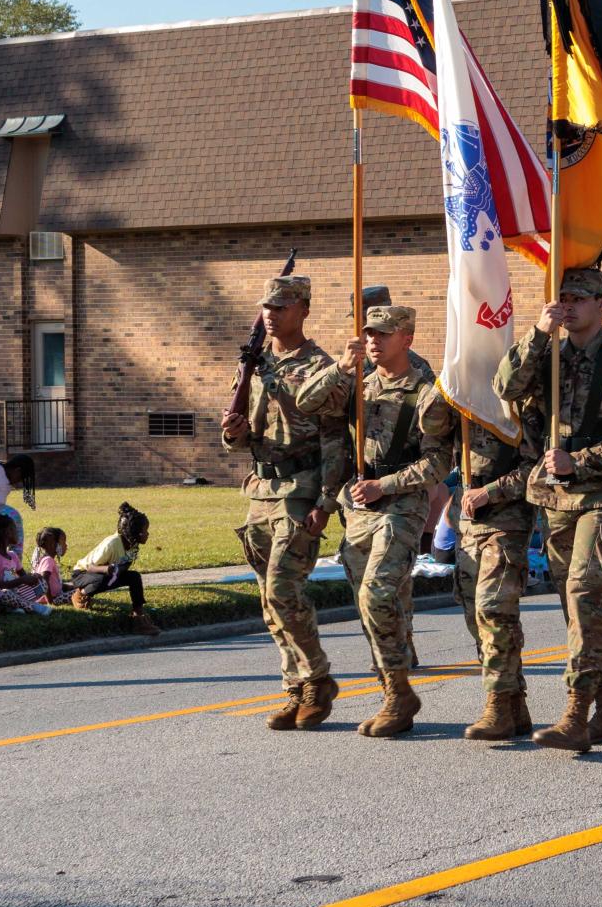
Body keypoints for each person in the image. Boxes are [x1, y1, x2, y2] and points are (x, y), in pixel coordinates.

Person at [496, 266, 602, 753]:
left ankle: (576, 711)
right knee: (578, 607)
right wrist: (538, 332)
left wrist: (580, 461)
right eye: (563, 298)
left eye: (580, 298)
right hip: (556, 500)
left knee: (585, 592)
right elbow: (505, 387)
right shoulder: (547, 358)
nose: (570, 306)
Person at [296, 303, 456, 739]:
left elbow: (439, 462)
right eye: (369, 333)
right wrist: (342, 368)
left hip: (401, 507)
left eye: (383, 334)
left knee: (376, 595)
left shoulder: (426, 392)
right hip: (358, 508)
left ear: (406, 338)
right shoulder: (359, 385)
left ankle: (399, 694)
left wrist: (386, 485)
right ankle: (391, 685)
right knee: (380, 604)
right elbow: (307, 402)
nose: (373, 340)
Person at [220, 274, 350, 732]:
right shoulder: (252, 363)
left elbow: (336, 440)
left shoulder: (320, 367)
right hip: (260, 491)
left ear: (304, 310)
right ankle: (294, 687)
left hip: (301, 491)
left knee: (283, 590)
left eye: (281, 307)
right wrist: (234, 434)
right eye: (267, 308)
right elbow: (241, 436)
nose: (271, 315)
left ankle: (318, 679)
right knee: (267, 600)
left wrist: (327, 501)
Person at [452, 414, 537, 741]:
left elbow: (536, 466)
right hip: (468, 520)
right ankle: (515, 705)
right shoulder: (459, 397)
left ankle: (498, 703)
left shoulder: (517, 400)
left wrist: (490, 491)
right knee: (476, 614)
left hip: (507, 520)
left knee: (494, 609)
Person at [70, 502, 159, 634]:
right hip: (83, 574)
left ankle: (138, 615)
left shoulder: (133, 545)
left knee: (134, 577)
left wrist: (118, 571)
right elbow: (90, 566)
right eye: (144, 531)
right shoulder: (112, 544)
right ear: (134, 532)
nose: (147, 534)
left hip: (110, 573)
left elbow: (126, 564)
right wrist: (108, 570)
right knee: (100, 580)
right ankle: (80, 595)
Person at [0, 512, 51, 615]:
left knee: (42, 584)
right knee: (5, 594)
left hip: (14, 592)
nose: (17, 533)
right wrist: (21, 580)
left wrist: (34, 578)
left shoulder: (12, 555)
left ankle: (14, 606)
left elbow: (23, 576)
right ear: (7, 532)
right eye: (15, 529)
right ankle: (31, 607)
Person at [31, 526, 68, 604]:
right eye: (63, 542)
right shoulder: (48, 560)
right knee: (78, 592)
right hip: (53, 598)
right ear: (53, 544)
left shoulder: (44, 559)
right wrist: (50, 601)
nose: (66, 545)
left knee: (72, 586)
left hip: (53, 596)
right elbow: (44, 580)